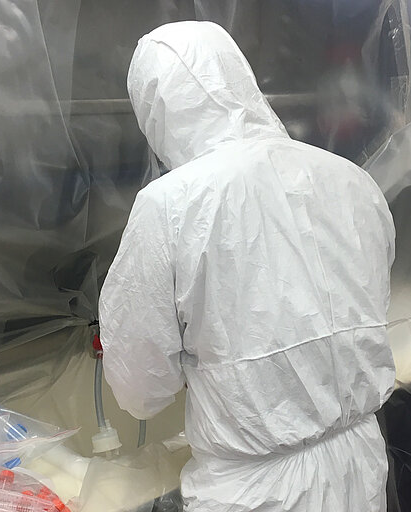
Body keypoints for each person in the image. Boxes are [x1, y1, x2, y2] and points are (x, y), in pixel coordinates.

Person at [99, 21, 395, 512]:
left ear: (155, 109)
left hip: (253, 494)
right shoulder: (354, 181)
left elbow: (141, 388)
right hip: (360, 468)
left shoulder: (170, 206)